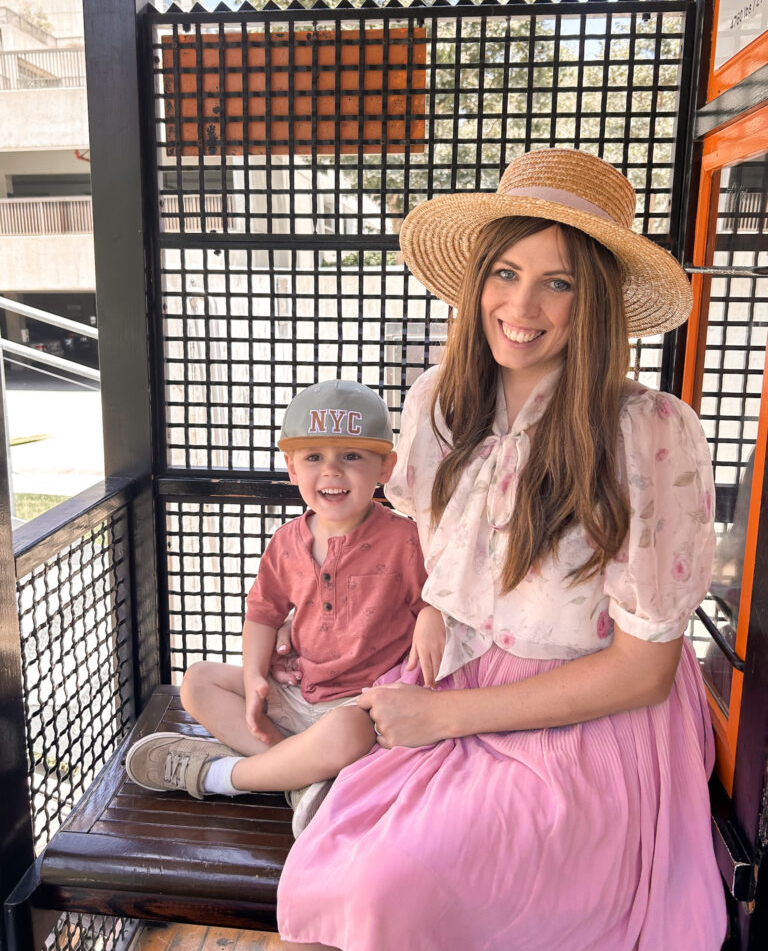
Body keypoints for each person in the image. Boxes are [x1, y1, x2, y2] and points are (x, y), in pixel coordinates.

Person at [275, 148, 727, 950]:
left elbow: (644, 668)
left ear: (596, 305)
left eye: (560, 282)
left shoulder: (648, 431)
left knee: (387, 885)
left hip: (591, 717)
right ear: (477, 278)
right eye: (506, 273)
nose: (523, 305)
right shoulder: (437, 404)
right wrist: (435, 617)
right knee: (333, 869)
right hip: (461, 682)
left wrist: (444, 715)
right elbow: (432, 533)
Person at [126, 379, 444, 836]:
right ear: (291, 467)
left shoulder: (406, 540)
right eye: (314, 457)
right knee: (197, 680)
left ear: (386, 467)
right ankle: (300, 774)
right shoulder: (286, 543)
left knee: (348, 735)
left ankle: (221, 776)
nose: (331, 472)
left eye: (351, 456)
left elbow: (439, 597)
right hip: (296, 692)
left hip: (358, 707)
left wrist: (433, 612)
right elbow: (263, 613)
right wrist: (255, 675)